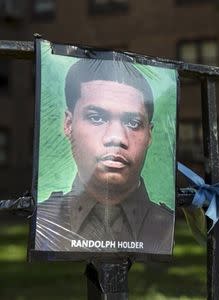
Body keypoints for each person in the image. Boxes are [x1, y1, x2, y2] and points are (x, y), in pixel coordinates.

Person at [35, 58, 174, 255]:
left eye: (133, 122)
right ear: (68, 124)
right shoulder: (43, 220)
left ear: (149, 134)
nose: (116, 137)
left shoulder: (167, 227)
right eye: (96, 117)